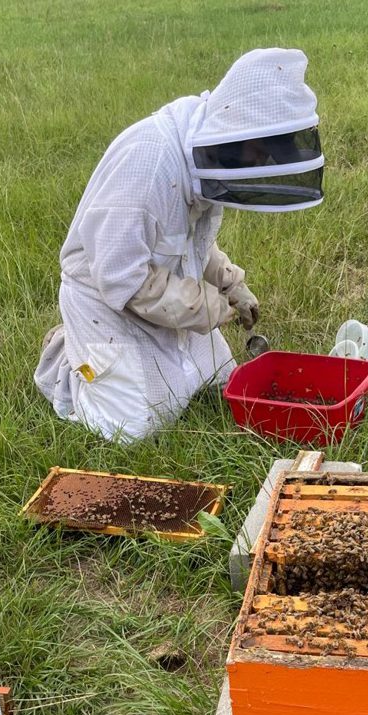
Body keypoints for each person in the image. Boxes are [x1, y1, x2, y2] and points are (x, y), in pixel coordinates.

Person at [35, 48, 324, 442]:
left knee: (220, 381)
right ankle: (67, 359)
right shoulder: (148, 165)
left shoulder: (208, 158)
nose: (260, 161)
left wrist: (230, 285)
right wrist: (203, 306)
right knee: (135, 427)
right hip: (105, 301)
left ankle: (127, 361)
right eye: (259, 152)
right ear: (236, 131)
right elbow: (121, 277)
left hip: (164, 292)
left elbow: (193, 243)